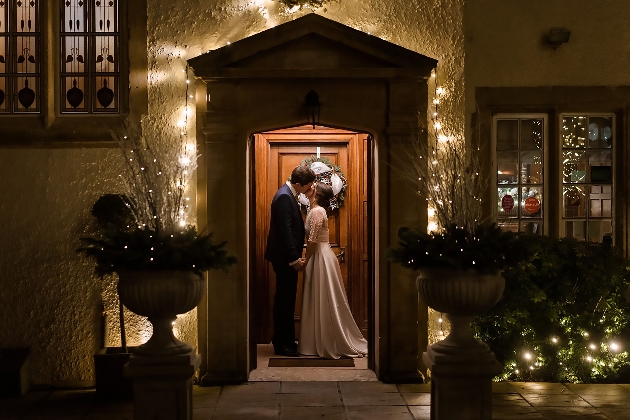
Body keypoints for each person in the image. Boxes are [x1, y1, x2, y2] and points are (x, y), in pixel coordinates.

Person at [298, 183, 368, 359]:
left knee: (323, 295)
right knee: (318, 295)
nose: (310, 186)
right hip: (320, 254)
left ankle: (326, 340)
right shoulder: (313, 209)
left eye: (313, 186)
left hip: (319, 255)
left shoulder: (317, 211)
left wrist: (305, 260)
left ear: (318, 193)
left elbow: (313, 240)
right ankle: (314, 341)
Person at [265, 165, 316, 357]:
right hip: (284, 258)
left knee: (286, 299)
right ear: (298, 183)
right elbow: (284, 231)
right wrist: (294, 259)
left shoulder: (287, 193)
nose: (309, 188)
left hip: (284, 256)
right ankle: (283, 344)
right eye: (308, 185)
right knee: (284, 301)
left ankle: (286, 341)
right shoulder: (285, 196)